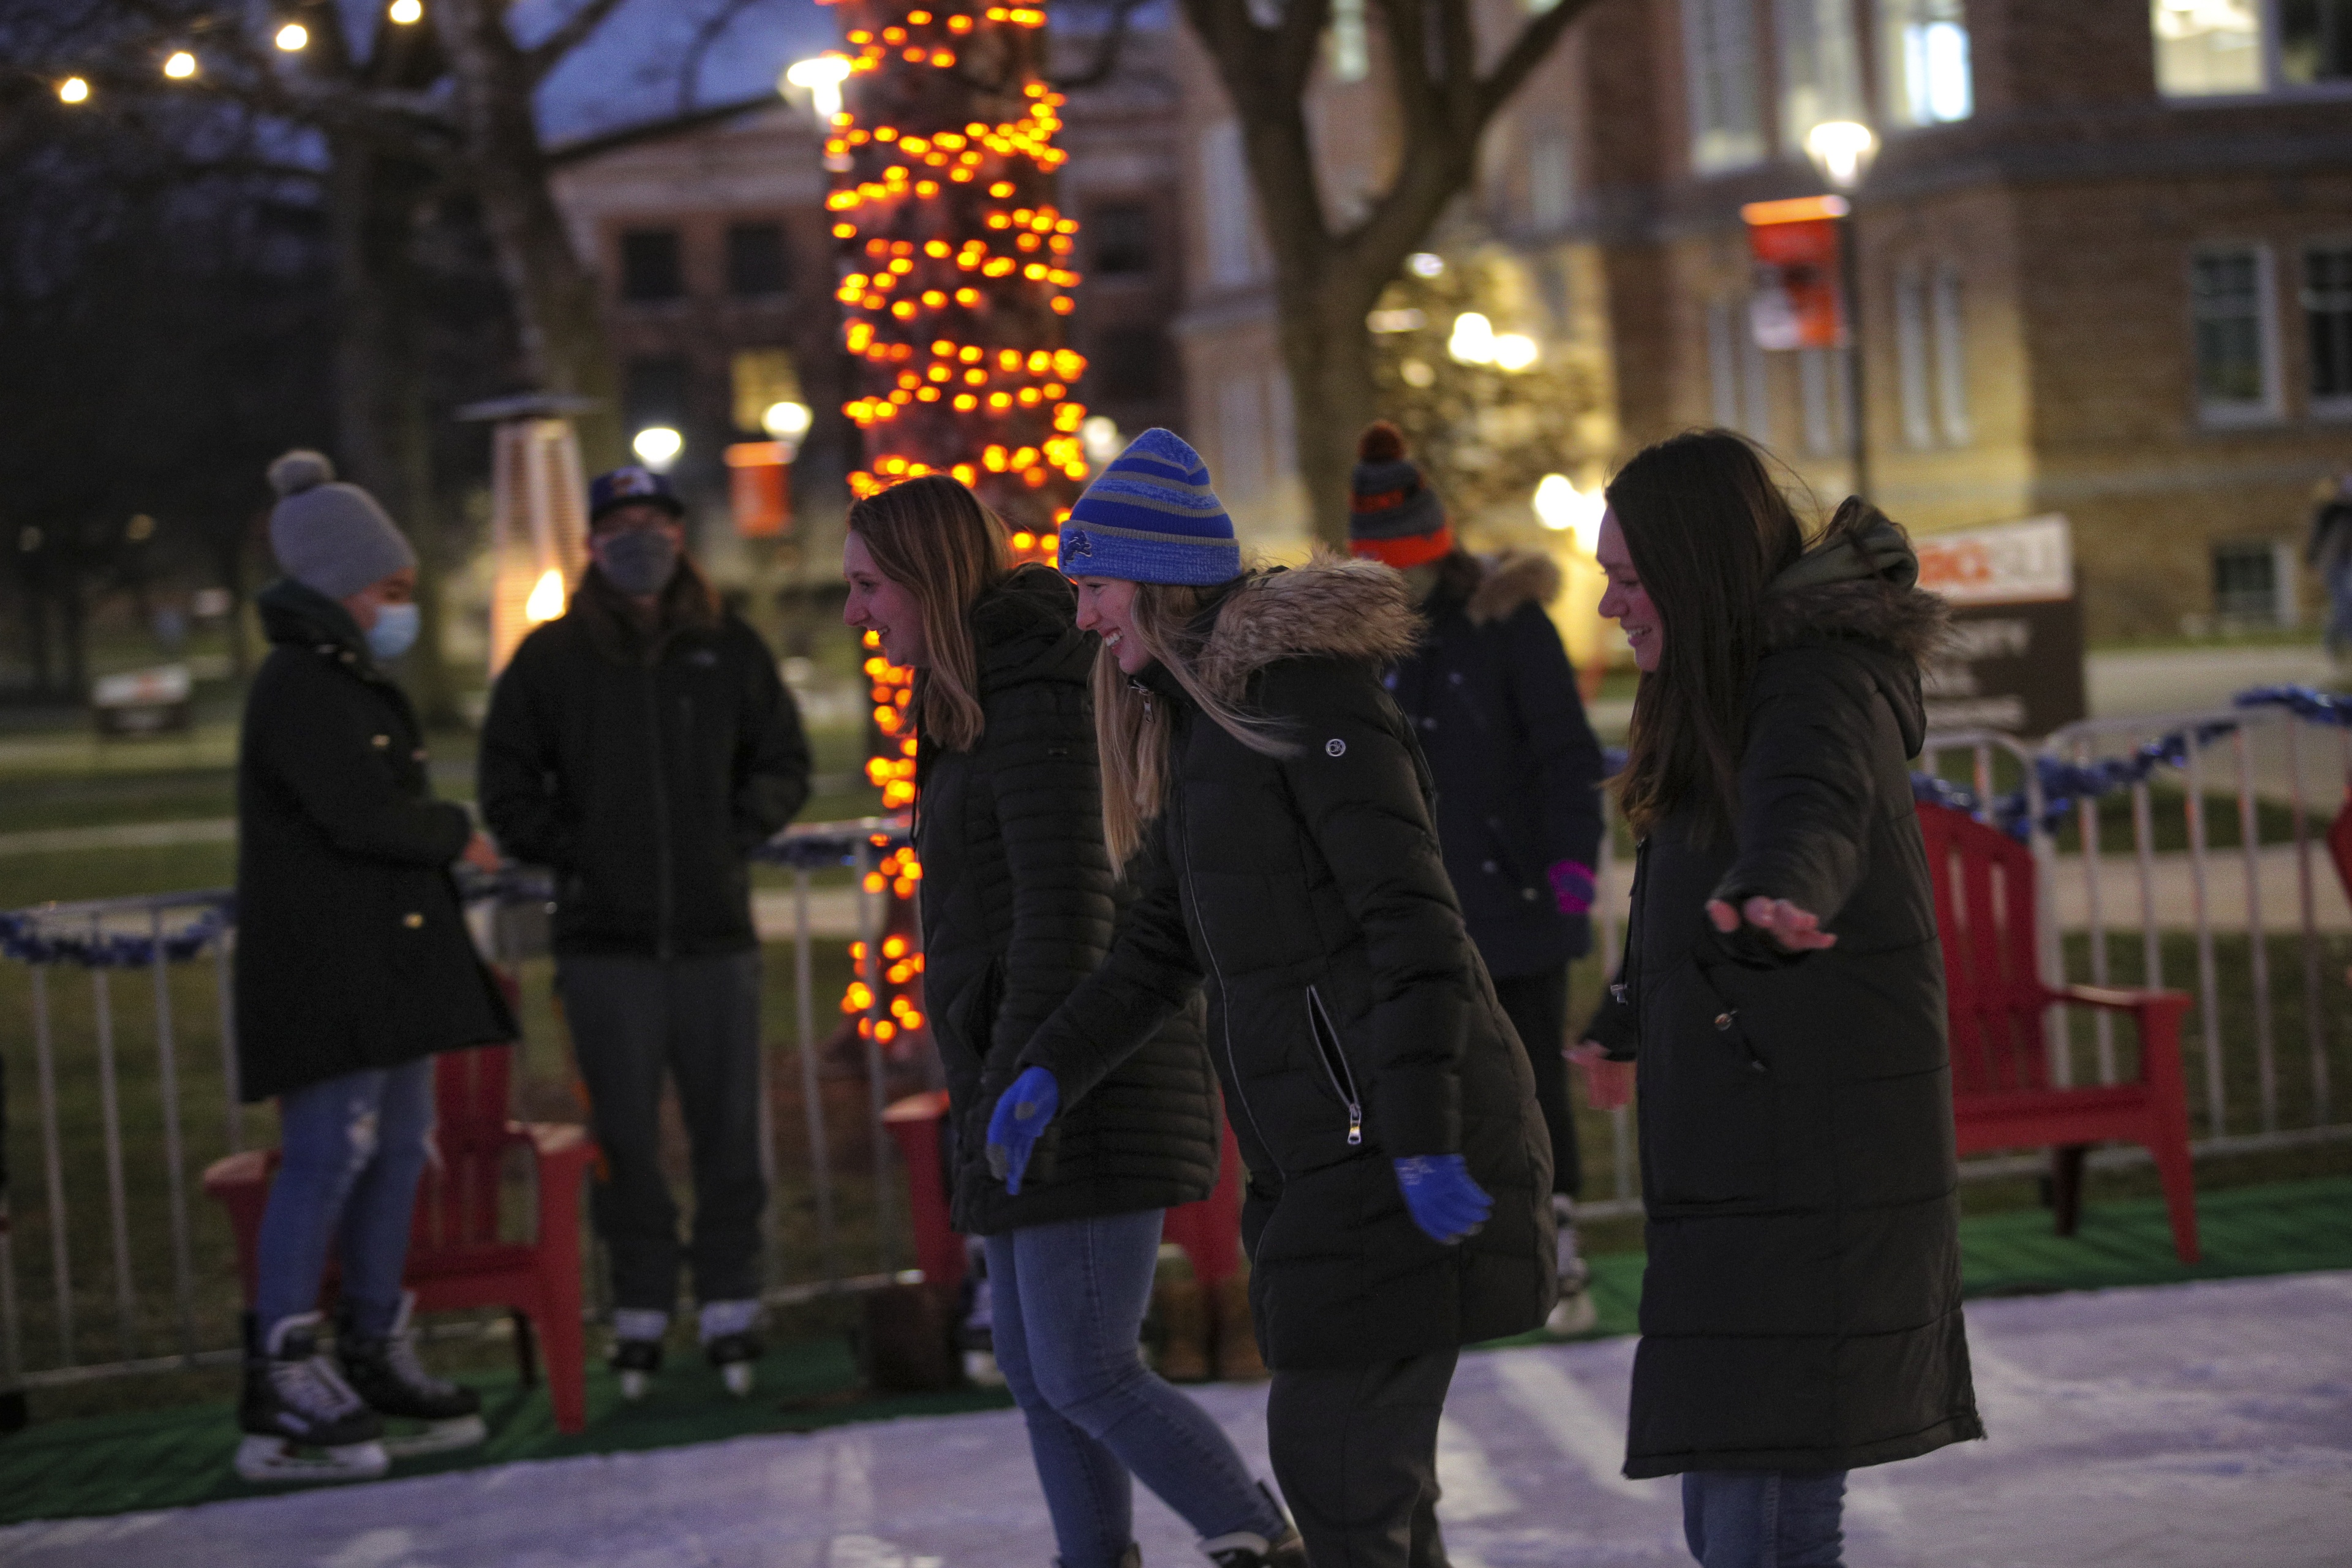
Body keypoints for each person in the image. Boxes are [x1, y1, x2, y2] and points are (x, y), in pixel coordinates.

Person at [992, 429, 1556, 1568]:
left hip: (1389, 1148)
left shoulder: (1303, 701)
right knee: (1369, 1493)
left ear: (1154, 582)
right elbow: (1158, 942)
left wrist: (1424, 1141)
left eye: (1094, 587)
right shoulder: (1208, 727)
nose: (1085, 616)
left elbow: (1415, 927)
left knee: (1344, 1479)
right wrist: (1051, 1068)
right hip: (1324, 1159)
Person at [842, 474, 1301, 1568]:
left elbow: (1069, 911)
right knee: (1039, 1367)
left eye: (869, 587)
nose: (857, 613)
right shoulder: (977, 694)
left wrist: (1028, 1079)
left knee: (1088, 1366)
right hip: (1023, 1069)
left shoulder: (1033, 690)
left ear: (926, 578)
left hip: (1082, 1077)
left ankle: (1261, 1540)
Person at [1569, 430, 1982, 1567]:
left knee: (1762, 1514)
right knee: (1742, 1502)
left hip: (1813, 1154)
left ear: (1697, 575)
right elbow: (1700, 872)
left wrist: (1779, 887)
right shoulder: (1726, 685)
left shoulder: (1813, 680)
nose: (1610, 606)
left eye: (1629, 579)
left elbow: (1816, 800)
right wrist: (1625, 1014)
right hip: (1758, 1148)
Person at [478, 464, 811, 1400]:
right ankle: (639, 1302)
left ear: (681, 536)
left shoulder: (728, 647)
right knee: (622, 1135)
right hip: (603, 946)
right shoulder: (550, 661)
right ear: (591, 542)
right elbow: (506, 786)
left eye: (657, 522)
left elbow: (782, 758)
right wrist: (577, 853)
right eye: (621, 524)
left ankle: (733, 1296)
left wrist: (730, 833)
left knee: (728, 1132)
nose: (641, 539)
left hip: (715, 939)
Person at [234, 450, 515, 1482]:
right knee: (326, 1155)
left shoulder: (348, 677)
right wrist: (451, 831)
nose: (401, 610)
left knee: (400, 1146)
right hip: (330, 971)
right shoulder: (302, 684)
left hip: (388, 971)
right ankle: (282, 1365)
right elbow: (355, 813)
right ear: (338, 583)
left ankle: (372, 1338)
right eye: (389, 591)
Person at [1346, 420, 1607, 1335]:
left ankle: (1554, 1238)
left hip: (1513, 900)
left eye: (1412, 568)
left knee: (1528, 1076)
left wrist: (1570, 867)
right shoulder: (1352, 638)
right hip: (1400, 913)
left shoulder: (1503, 625)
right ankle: (1445, 1251)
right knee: (1419, 1076)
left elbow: (1563, 755)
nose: (1402, 586)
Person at [2305, 470, 2352, 663]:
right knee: (2344, 604)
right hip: (2334, 563)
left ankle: (2337, 644)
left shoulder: (2344, 510)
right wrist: (2313, 561)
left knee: (2346, 604)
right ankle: (2337, 644)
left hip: (2346, 560)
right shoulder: (2329, 511)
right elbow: (2317, 539)